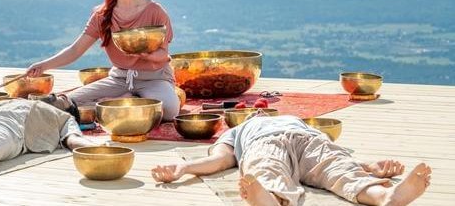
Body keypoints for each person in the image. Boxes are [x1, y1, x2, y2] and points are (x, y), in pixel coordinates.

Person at [26, 0, 180, 121]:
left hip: (154, 79)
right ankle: (124, 101)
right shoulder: (102, 15)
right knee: (70, 101)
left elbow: (163, 55)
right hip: (119, 79)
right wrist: (43, 66)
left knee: (169, 109)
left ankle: (125, 101)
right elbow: (76, 49)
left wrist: (146, 55)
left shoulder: (155, 12)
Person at [151, 114, 432, 206]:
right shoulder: (237, 131)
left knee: (337, 168)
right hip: (265, 144)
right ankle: (270, 197)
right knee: (264, 167)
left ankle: (384, 195)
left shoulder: (297, 121)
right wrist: (182, 168)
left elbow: (337, 158)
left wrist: (371, 167)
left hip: (308, 140)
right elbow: (222, 160)